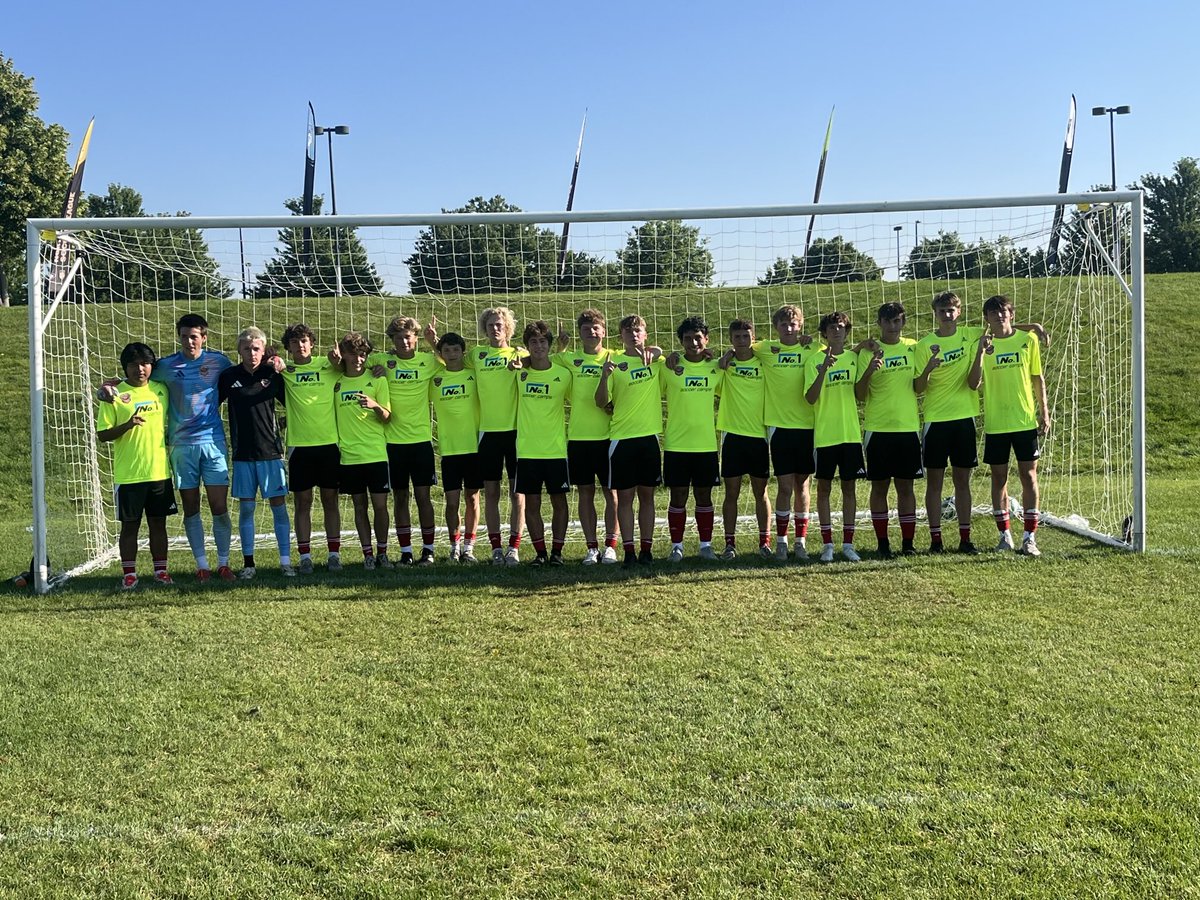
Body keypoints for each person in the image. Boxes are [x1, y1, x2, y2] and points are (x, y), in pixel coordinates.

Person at [102, 314, 236, 580]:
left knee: (219, 506)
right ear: (179, 337)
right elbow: (135, 378)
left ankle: (223, 562)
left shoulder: (219, 362)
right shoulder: (165, 366)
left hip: (213, 442)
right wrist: (107, 385)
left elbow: (240, 376)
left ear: (204, 337)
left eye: (194, 336)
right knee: (191, 506)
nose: (189, 341)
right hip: (181, 446)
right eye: (184, 336)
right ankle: (201, 566)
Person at [917, 291, 1046, 554]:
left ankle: (1016, 538)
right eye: (942, 310)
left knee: (1018, 476)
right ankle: (945, 540)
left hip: (990, 419)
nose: (947, 314)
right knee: (949, 481)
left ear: (959, 312)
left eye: (951, 310)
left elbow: (1003, 330)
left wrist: (1032, 327)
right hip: (962, 421)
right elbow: (920, 387)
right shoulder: (929, 344)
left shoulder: (986, 336)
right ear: (935, 313)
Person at [426, 308, 527, 565]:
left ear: (508, 328)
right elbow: (451, 363)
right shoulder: (476, 355)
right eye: (491, 325)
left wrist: (526, 362)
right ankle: (495, 548)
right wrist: (431, 342)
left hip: (517, 432)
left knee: (518, 493)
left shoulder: (520, 353)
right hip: (486, 435)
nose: (495, 329)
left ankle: (513, 548)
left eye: (500, 325)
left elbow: (541, 364)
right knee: (490, 492)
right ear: (485, 328)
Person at [969, 295, 1051, 556]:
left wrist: (1044, 414)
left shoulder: (1027, 341)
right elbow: (974, 382)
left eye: (1003, 312)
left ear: (1011, 314)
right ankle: (1005, 536)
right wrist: (981, 351)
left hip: (1024, 420)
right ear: (986, 318)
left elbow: (1038, 379)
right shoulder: (982, 344)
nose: (999, 316)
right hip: (996, 423)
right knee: (999, 479)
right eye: (993, 313)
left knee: (1029, 476)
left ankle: (1029, 537)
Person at [96, 343, 178, 589]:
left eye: (144, 364)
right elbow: (103, 435)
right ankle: (129, 574)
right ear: (125, 368)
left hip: (159, 472)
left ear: (152, 366)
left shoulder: (161, 390)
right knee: (130, 527)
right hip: (129, 474)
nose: (139, 369)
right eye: (133, 365)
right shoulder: (113, 394)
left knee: (158, 524)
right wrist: (128, 425)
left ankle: (161, 572)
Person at [856, 302, 933, 558]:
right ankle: (882, 543)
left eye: (897, 321)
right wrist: (868, 372)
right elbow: (859, 395)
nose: (892, 326)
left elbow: (919, 387)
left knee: (906, 488)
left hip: (907, 428)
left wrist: (929, 370)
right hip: (877, 429)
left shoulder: (913, 347)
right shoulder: (868, 351)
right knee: (879, 488)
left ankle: (908, 544)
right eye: (887, 321)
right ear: (879, 323)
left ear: (903, 322)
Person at [218, 327, 292, 579]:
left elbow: (294, 402)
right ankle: (249, 564)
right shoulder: (228, 376)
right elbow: (209, 403)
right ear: (239, 350)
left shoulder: (272, 373)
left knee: (279, 508)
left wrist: (281, 366)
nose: (252, 353)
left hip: (271, 452)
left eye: (256, 348)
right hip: (242, 455)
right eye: (247, 348)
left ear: (264, 350)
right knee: (247, 510)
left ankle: (286, 562)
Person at [595, 314, 664, 567]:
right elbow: (601, 402)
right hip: (622, 439)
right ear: (620, 337)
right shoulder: (615, 363)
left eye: (638, 331)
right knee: (624, 499)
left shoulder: (657, 361)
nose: (633, 335)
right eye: (628, 331)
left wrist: (657, 351)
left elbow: (674, 357)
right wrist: (603, 377)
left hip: (649, 439)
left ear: (645, 334)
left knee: (648, 497)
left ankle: (647, 551)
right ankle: (629, 552)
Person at [370, 316, 439, 566]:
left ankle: (429, 550)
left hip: (421, 442)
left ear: (415, 338)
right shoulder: (380, 362)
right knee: (400, 498)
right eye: (398, 338)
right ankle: (406, 551)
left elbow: (455, 361)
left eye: (408, 337)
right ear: (392, 341)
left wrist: (434, 344)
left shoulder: (429, 361)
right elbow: (351, 364)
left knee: (423, 497)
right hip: (392, 443)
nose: (404, 342)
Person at [554, 309, 620, 565]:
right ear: (579, 333)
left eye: (596, 328)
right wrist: (560, 347)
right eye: (586, 329)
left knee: (611, 493)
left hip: (609, 436)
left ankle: (611, 546)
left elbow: (650, 352)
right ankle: (592, 547)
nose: (591, 332)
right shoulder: (569, 359)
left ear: (604, 331)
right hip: (579, 438)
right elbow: (540, 361)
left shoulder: (616, 357)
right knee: (585, 493)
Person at [279, 323, 343, 573]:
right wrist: (273, 357)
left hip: (329, 444)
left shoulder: (327, 365)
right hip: (299, 446)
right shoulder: (285, 369)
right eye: (294, 342)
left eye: (304, 340)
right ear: (289, 347)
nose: (300, 345)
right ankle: (305, 556)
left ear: (312, 343)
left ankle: (334, 554)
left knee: (330, 500)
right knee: (302, 502)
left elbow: (353, 368)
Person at [805, 311, 867, 563]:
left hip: (850, 435)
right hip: (825, 436)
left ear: (847, 331)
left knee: (849, 488)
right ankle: (827, 544)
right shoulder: (813, 361)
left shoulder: (854, 358)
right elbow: (810, 398)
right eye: (832, 328)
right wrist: (823, 371)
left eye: (841, 327)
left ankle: (849, 544)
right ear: (825, 334)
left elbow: (861, 394)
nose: (837, 331)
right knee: (824, 489)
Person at [756, 305, 817, 561]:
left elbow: (841, 351)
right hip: (779, 427)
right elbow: (742, 345)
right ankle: (781, 542)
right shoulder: (765, 349)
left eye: (793, 324)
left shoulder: (811, 348)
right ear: (776, 327)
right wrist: (723, 355)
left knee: (803, 485)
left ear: (801, 325)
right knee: (784, 487)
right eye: (783, 324)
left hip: (807, 426)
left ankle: (800, 542)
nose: (789, 328)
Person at [661, 316, 723, 562]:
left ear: (706, 340)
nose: (693, 342)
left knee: (704, 496)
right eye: (688, 338)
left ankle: (705, 545)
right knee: (677, 496)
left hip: (705, 444)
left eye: (698, 337)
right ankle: (677, 546)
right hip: (676, 444)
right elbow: (650, 357)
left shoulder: (716, 367)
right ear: (681, 341)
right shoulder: (668, 367)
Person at [512, 321, 573, 565]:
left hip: (556, 450)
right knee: (532, 503)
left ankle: (557, 553)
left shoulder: (563, 374)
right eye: (533, 342)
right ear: (527, 346)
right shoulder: (519, 371)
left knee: (559, 502)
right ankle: (540, 553)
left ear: (549, 344)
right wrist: (519, 360)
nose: (538, 346)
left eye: (543, 341)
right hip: (527, 450)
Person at [334, 332, 392, 569]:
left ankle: (383, 553)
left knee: (380, 506)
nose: (358, 359)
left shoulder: (377, 379)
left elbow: (388, 417)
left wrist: (375, 405)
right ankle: (367, 554)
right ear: (344, 355)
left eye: (362, 354)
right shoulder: (335, 382)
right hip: (349, 457)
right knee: (360, 507)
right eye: (353, 354)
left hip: (376, 454)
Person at [716, 319, 771, 560]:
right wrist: (723, 359)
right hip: (733, 436)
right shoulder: (725, 366)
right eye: (737, 337)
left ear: (754, 337)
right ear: (731, 339)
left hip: (759, 436)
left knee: (762, 492)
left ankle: (765, 542)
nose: (741, 340)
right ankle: (730, 544)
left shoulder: (764, 362)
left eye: (746, 336)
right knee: (732, 493)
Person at [429, 333, 482, 564]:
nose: (452, 354)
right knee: (451, 502)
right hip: (449, 450)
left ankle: (469, 546)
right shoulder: (435, 379)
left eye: (456, 350)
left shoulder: (474, 375)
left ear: (463, 352)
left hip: (473, 448)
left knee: (472, 500)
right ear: (441, 354)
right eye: (447, 351)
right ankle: (454, 545)